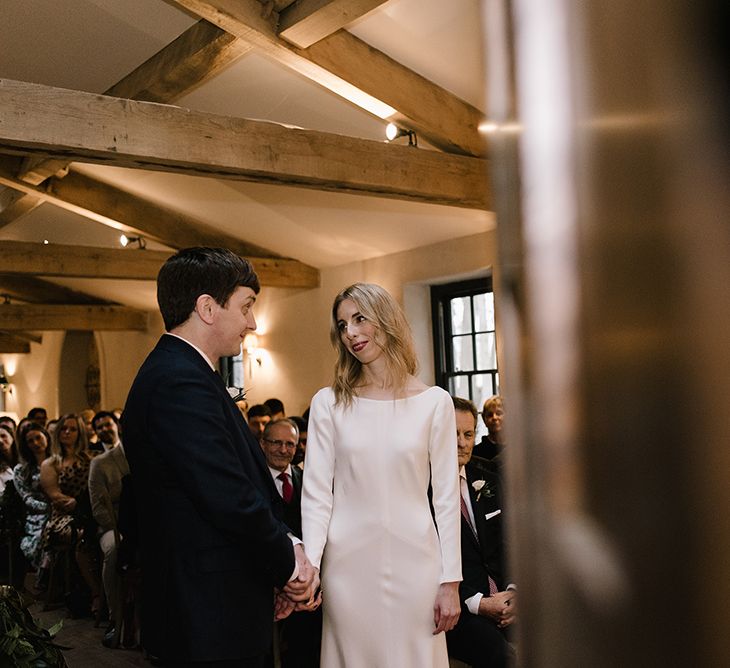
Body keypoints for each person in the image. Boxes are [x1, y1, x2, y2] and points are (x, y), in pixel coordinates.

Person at [121, 247, 317, 667]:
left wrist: (279, 567)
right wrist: (288, 566)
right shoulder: (178, 382)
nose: (253, 322)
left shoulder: (192, 375)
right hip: (204, 616)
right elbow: (227, 496)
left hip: (219, 607)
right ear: (207, 308)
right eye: (247, 306)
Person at [301, 282, 462, 668]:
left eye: (359, 319)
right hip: (347, 568)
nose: (351, 333)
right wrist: (310, 566)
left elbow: (445, 497)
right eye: (342, 325)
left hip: (418, 568)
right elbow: (317, 494)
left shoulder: (435, 403)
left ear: (386, 321)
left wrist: (451, 580)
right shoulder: (328, 403)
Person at [446, 397, 515, 668]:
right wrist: (479, 603)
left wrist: (513, 592)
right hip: (460, 610)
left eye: (468, 434)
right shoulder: (420, 490)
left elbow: (509, 543)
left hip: (505, 599)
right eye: (453, 434)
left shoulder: (489, 478)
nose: (462, 443)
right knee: (503, 656)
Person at [261, 419, 322, 668]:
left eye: (290, 444)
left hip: (303, 591)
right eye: (277, 442)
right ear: (262, 444)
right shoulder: (251, 482)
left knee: (303, 653)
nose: (284, 450)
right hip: (264, 587)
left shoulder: (307, 481)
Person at [39, 413, 101, 615]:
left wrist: (83, 503)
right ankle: (96, 594)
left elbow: (100, 489)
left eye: (72, 429)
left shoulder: (92, 457)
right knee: (82, 536)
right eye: (64, 429)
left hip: (90, 511)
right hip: (62, 518)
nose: (67, 432)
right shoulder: (51, 463)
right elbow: (56, 496)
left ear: (80, 432)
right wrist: (77, 503)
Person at [88, 410, 129, 640]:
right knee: (115, 549)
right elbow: (98, 508)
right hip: (112, 527)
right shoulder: (99, 463)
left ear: (118, 426)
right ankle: (116, 617)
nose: (105, 429)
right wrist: (120, 529)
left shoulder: (139, 454)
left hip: (143, 525)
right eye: (99, 427)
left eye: (108, 424)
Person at [12, 423, 52, 572]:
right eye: (30, 441)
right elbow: (27, 498)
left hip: (60, 513)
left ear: (46, 437)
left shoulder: (58, 463)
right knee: (38, 541)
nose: (35, 443)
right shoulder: (22, 470)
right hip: (37, 517)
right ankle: (43, 576)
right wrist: (48, 507)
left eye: (38, 438)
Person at [472, 395, 505, 468]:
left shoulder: (516, 451)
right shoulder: (475, 453)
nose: (494, 418)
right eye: (490, 415)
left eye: (499, 413)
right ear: (484, 419)